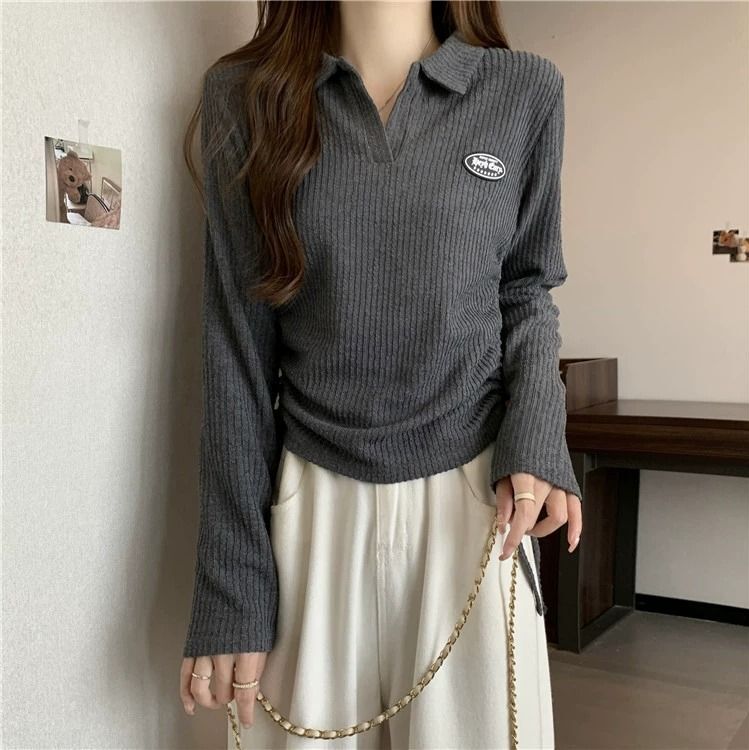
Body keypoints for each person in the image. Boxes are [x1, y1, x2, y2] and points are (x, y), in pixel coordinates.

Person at [179, 1, 583, 747]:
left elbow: (527, 291)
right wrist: (231, 587)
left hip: (476, 506)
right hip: (311, 508)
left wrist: (536, 435)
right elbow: (235, 351)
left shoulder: (525, 90)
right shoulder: (245, 96)